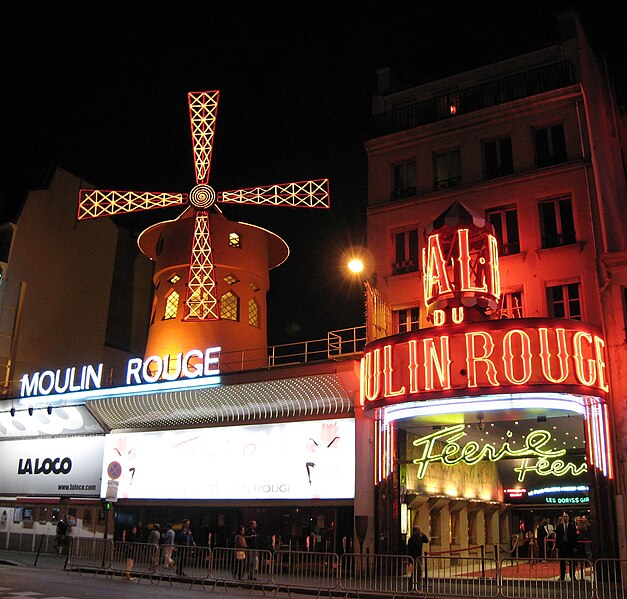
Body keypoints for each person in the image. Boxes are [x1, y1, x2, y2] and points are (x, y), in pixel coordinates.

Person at [555, 513, 577, 580]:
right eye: (564, 517)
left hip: (570, 546)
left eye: (566, 517)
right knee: (562, 562)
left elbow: (574, 537)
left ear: (568, 518)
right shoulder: (559, 527)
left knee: (572, 562)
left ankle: (572, 576)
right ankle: (562, 576)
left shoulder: (572, 526)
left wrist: (575, 546)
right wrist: (557, 547)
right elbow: (558, 538)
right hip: (562, 546)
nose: (565, 518)